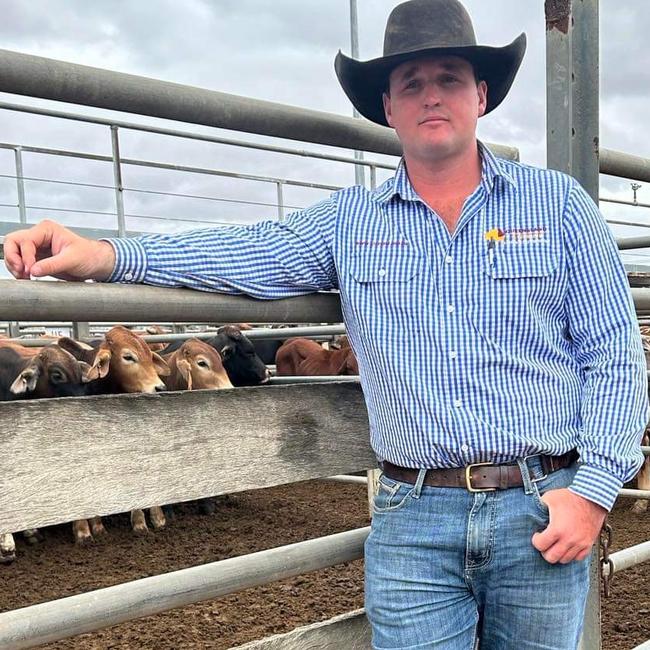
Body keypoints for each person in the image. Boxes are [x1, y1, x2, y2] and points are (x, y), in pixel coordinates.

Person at [3, 1, 647, 648]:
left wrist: (592, 493)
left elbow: (615, 353)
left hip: (541, 503)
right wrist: (102, 255)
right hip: (415, 515)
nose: (431, 96)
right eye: (411, 84)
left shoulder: (559, 207)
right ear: (388, 108)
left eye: (449, 78)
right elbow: (243, 250)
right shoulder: (349, 222)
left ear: (480, 94)